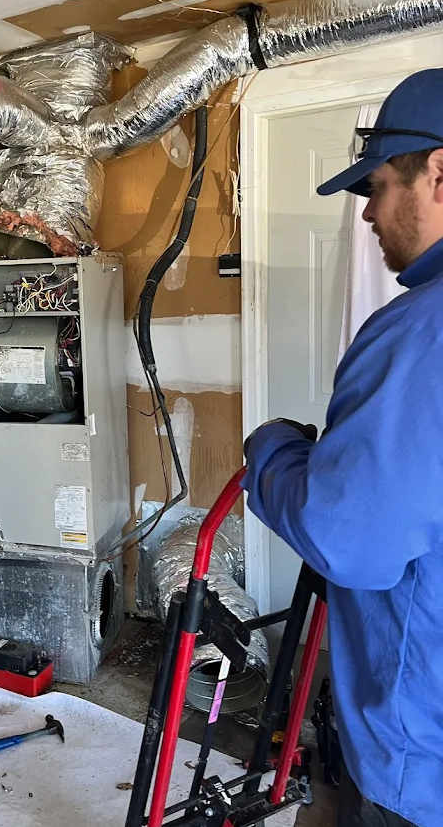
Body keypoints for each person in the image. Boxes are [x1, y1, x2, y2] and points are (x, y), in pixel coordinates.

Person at [242, 68, 443, 827]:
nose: (368, 217)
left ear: (438, 172)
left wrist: (274, 453)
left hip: (422, 754)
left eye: (379, 187)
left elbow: (346, 536)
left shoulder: (421, 332)